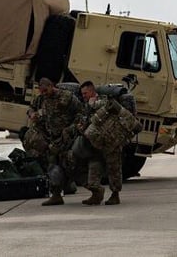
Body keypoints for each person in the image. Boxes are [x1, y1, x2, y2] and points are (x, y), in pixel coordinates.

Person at [27, 77, 82, 206]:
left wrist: (71, 129)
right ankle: (56, 195)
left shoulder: (67, 96)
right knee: (52, 165)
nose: (44, 94)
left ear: (52, 86)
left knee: (71, 165)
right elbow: (31, 108)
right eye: (42, 91)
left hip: (67, 137)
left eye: (46, 90)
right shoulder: (41, 98)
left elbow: (80, 112)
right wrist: (32, 114)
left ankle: (93, 189)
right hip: (52, 138)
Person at [78, 81, 129, 206]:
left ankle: (115, 195)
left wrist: (93, 104)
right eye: (82, 94)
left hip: (111, 141)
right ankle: (96, 194)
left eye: (85, 93)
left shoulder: (103, 100)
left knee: (114, 168)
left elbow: (108, 107)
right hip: (96, 142)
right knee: (94, 168)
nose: (83, 96)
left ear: (92, 91)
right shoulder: (87, 105)